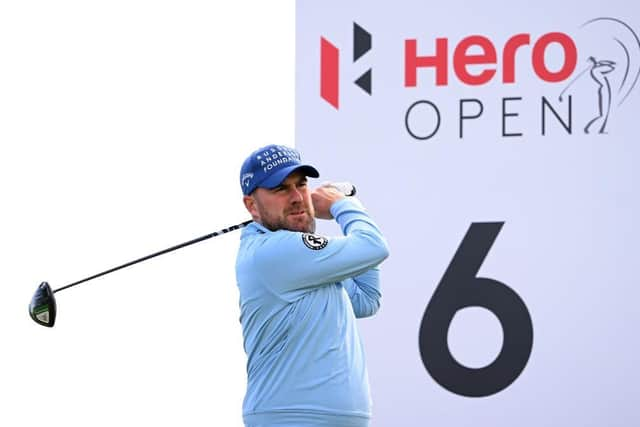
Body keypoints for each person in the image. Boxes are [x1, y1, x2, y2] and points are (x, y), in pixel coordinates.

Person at [235, 144, 390, 427]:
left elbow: (366, 299)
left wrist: (347, 209)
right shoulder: (273, 252)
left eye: (301, 185)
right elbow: (373, 246)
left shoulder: (304, 264)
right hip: (292, 418)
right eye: (280, 189)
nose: (296, 197)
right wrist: (341, 205)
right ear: (251, 206)